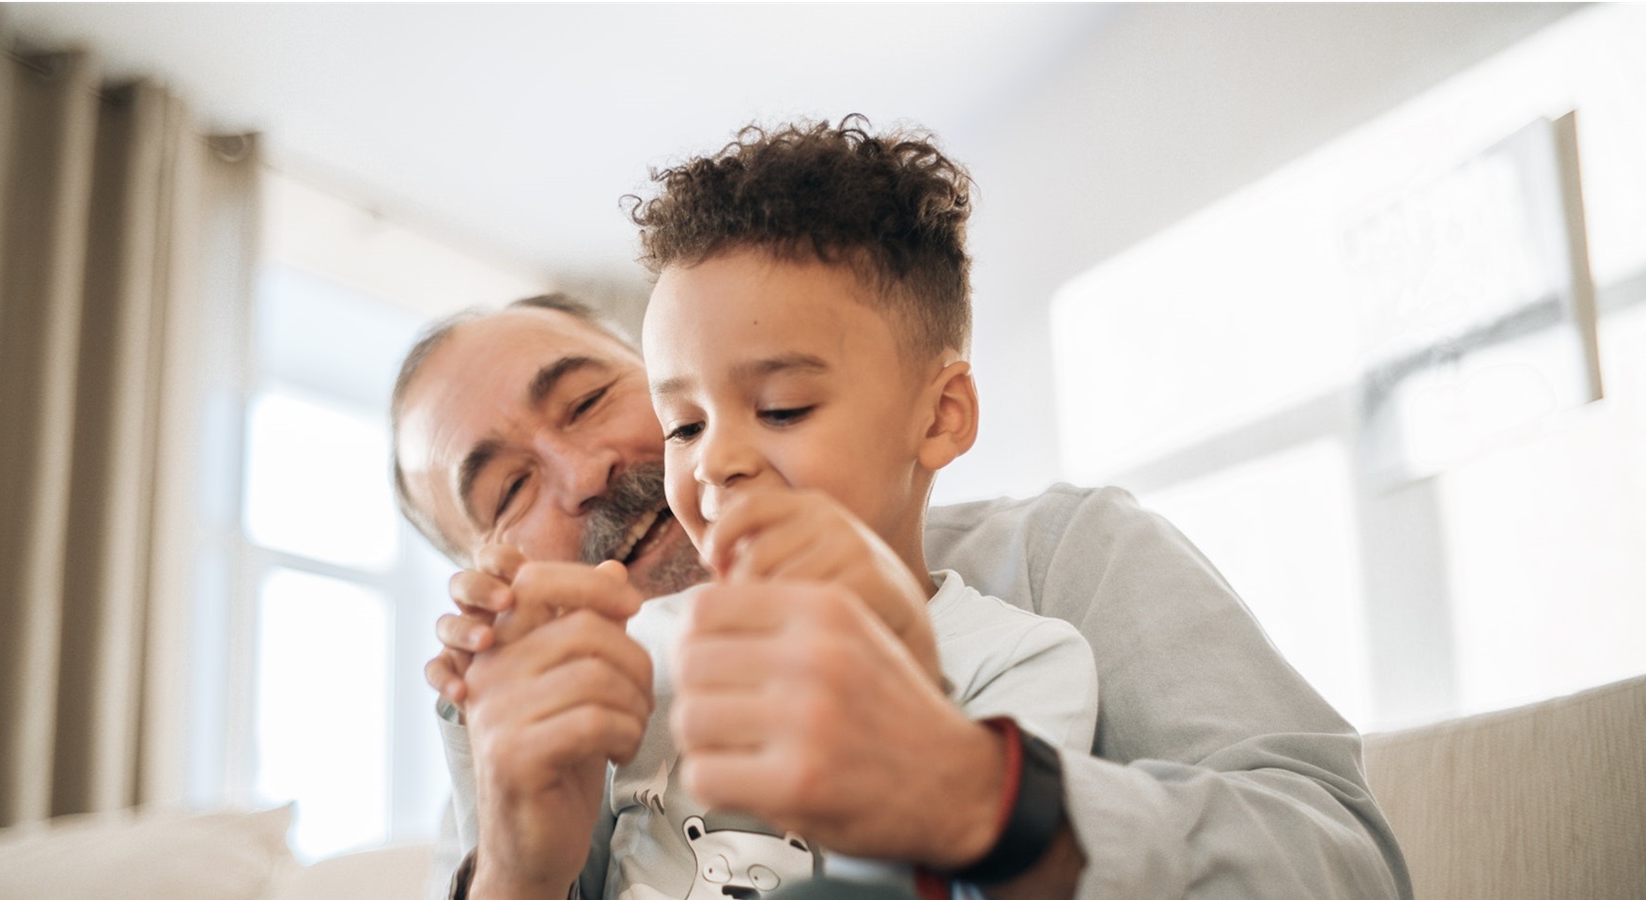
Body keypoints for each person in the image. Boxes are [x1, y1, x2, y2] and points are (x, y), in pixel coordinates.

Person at [392, 119, 1411, 900]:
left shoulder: (1055, 578)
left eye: (587, 401)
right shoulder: (513, 736)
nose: (583, 472)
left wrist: (978, 795)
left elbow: (1344, 865)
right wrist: (522, 874)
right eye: (508, 490)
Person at [597, 116, 1101, 900]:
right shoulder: (635, 657)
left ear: (940, 417)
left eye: (784, 408)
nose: (715, 461)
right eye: (684, 426)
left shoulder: (1020, 661)